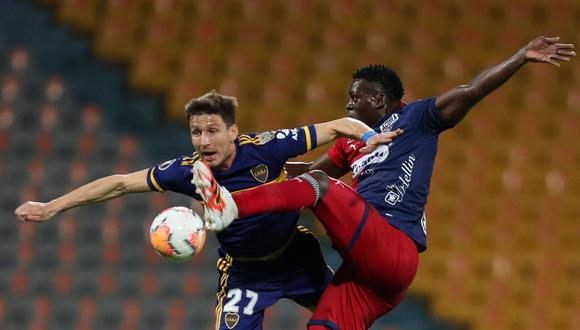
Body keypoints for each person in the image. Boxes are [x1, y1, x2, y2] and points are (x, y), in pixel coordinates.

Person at [190, 36, 575, 329]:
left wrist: (521, 57)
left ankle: (232, 206)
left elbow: (470, 91)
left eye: (353, 98)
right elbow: (299, 178)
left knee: (321, 186)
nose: (347, 106)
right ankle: (232, 202)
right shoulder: (353, 143)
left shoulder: (418, 118)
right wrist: (240, 169)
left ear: (378, 98)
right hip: (367, 276)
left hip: (391, 246)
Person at [15, 90, 400, 329]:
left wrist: (367, 135)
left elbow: (337, 126)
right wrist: (52, 206)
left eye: (212, 130)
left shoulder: (268, 148)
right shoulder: (186, 171)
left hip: (296, 256)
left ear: (233, 131)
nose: (203, 140)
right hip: (245, 272)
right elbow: (117, 182)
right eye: (196, 132)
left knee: (346, 319)